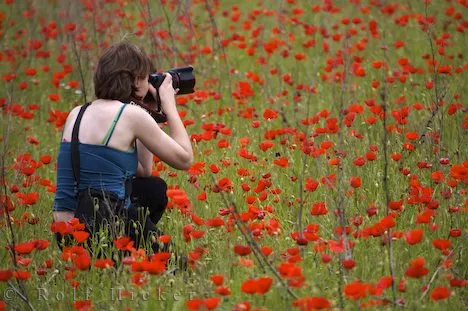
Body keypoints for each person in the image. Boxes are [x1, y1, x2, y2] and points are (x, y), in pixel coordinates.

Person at [52, 41, 193, 253]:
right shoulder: (129, 116)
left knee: (152, 188)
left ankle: (126, 251)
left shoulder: (77, 112)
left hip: (66, 230)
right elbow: (184, 159)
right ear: (136, 79)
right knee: (174, 265)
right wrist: (170, 107)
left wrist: (151, 113)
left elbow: (144, 171)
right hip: (101, 228)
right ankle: (126, 251)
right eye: (147, 77)